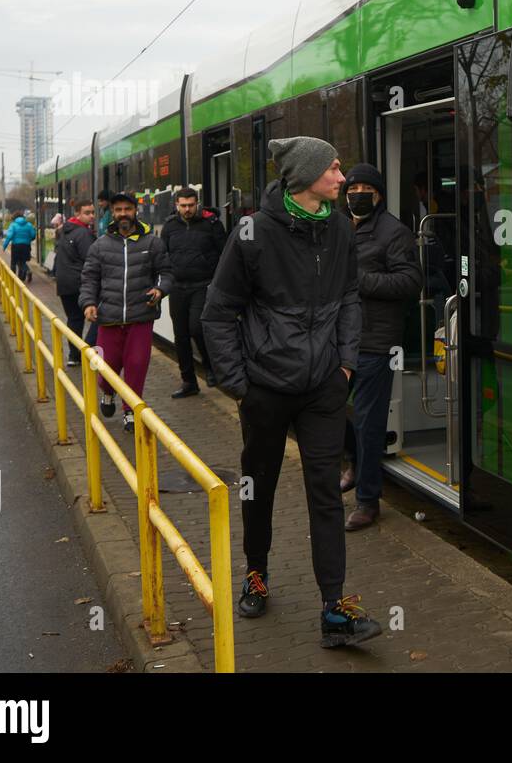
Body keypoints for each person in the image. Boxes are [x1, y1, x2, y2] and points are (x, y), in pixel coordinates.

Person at [201, 136, 380, 649]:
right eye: (335, 169)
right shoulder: (253, 232)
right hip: (266, 390)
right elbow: (218, 313)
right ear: (305, 177)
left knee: (325, 494)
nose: (343, 179)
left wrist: (345, 362)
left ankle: (334, 610)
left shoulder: (340, 226)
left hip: (324, 387)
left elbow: (349, 295)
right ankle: (256, 575)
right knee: (259, 488)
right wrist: (239, 384)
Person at [339, 163, 423, 532]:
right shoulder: (340, 227)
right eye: (351, 189)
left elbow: (410, 281)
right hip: (343, 339)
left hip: (377, 341)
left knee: (369, 422)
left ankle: (368, 501)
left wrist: (360, 281)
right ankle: (355, 465)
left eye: (363, 189)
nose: (356, 194)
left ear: (378, 194)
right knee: (333, 409)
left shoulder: (394, 232)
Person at [79, 192, 173, 434]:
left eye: (127, 209)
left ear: (135, 211)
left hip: (141, 316)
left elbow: (166, 273)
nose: (123, 214)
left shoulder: (152, 243)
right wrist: (88, 303)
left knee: (137, 364)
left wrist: (160, 289)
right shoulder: (100, 245)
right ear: (112, 212)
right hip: (108, 318)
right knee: (105, 366)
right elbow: (90, 278)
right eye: (118, 209)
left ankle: (131, 411)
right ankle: (108, 392)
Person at [160, 187, 226, 397]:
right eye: (183, 206)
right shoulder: (169, 227)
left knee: (196, 328)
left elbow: (224, 253)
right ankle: (189, 381)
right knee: (180, 336)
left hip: (203, 285)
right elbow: (163, 254)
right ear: (177, 205)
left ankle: (210, 367)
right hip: (178, 287)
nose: (187, 209)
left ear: (197, 203)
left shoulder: (212, 224)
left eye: (191, 205)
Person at [54, 200, 99, 367]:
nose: (92, 216)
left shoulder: (64, 231)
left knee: (74, 319)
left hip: (64, 283)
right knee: (98, 317)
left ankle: (74, 356)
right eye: (87, 213)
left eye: (93, 212)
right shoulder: (83, 233)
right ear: (77, 214)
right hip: (80, 283)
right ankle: (90, 353)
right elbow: (91, 259)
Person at [1, 210, 37, 282]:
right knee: (22, 261)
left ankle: (13, 279)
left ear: (14, 218)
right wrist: (28, 239)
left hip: (16, 246)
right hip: (26, 246)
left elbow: (9, 236)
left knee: (14, 262)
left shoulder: (13, 225)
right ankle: (23, 275)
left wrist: (4, 246)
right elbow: (33, 235)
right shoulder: (29, 225)